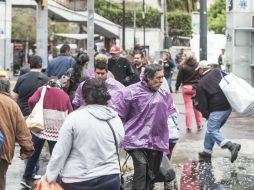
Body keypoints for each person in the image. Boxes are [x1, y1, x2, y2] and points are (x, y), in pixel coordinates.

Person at [45, 78, 125, 190]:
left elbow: (60, 152)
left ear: (83, 97)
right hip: (110, 178)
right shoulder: (115, 118)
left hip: (77, 180)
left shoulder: (74, 118)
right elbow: (119, 143)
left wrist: (50, 177)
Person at [112, 64, 176, 190]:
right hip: (134, 139)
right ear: (148, 78)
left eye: (162, 77)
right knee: (141, 167)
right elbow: (119, 114)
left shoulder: (163, 94)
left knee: (151, 173)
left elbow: (170, 113)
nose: (161, 81)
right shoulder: (131, 92)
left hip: (155, 140)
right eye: (157, 78)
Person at [20, 79, 73, 188]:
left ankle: (27, 177)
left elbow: (31, 101)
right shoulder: (65, 96)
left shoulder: (42, 90)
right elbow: (71, 113)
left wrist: (34, 111)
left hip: (40, 127)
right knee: (56, 156)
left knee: (34, 154)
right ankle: (56, 180)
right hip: (57, 130)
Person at [195, 60, 241, 163]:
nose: (197, 72)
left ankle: (231, 146)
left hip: (217, 109)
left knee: (212, 130)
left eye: (198, 70)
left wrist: (206, 115)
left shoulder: (201, 84)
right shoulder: (217, 71)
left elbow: (202, 104)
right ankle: (207, 152)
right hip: (228, 107)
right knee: (212, 129)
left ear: (202, 69)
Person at [0, 78, 34, 190]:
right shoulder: (12, 104)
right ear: (8, 89)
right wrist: (27, 149)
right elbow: (22, 129)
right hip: (3, 151)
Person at [175, 51, 203, 132]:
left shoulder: (183, 66)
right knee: (197, 107)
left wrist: (177, 87)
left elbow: (179, 78)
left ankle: (189, 126)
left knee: (188, 108)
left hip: (186, 88)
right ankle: (199, 125)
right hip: (196, 88)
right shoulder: (198, 65)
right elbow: (201, 76)